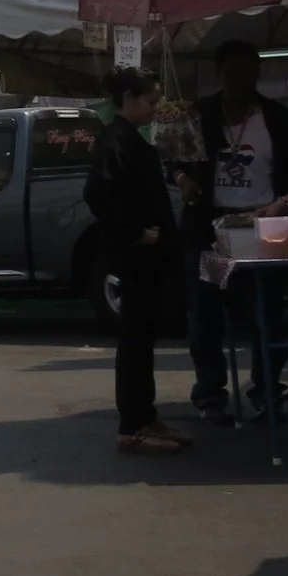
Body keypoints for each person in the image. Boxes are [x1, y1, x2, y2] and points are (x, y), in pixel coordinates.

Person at [184, 40, 288, 425]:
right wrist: (180, 177)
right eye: (232, 72)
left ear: (258, 73)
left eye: (249, 72)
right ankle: (210, 394)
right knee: (206, 312)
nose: (241, 80)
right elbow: (171, 160)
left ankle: (266, 391)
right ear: (219, 74)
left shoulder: (278, 119)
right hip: (213, 234)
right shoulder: (199, 116)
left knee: (267, 312)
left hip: (264, 230)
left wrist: (282, 205)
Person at [85, 68, 189, 456]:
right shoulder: (115, 140)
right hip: (133, 258)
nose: (154, 109)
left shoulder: (131, 138)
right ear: (128, 98)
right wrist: (136, 232)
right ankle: (132, 426)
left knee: (143, 341)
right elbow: (98, 193)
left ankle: (146, 417)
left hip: (149, 257)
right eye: (150, 101)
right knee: (134, 342)